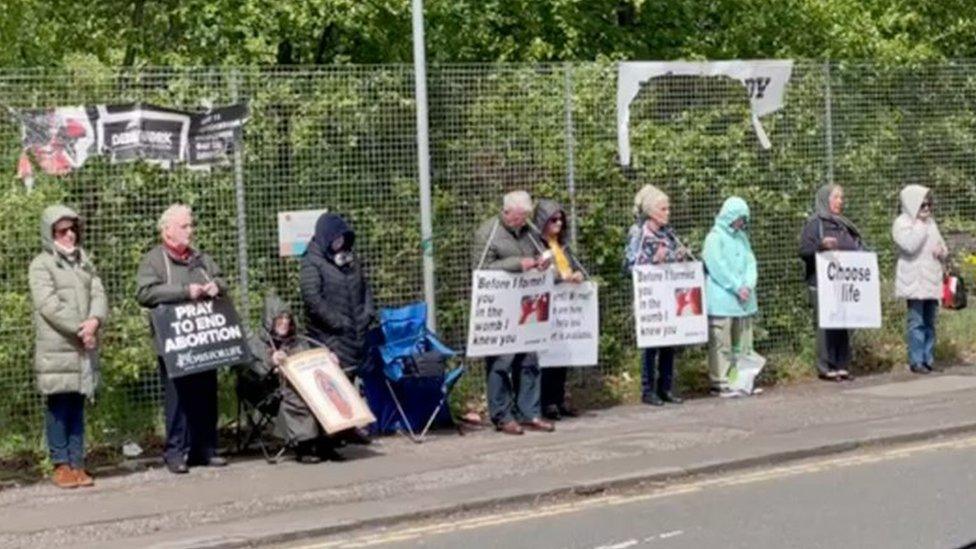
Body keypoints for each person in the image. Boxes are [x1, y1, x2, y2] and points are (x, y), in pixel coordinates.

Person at [136, 204, 229, 474]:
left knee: (206, 391)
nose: (191, 230)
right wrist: (184, 291)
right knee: (178, 397)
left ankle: (205, 448)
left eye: (191, 225)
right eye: (185, 226)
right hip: (174, 338)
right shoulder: (154, 259)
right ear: (168, 230)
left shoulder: (199, 258)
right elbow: (145, 293)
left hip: (203, 335)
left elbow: (221, 279)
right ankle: (176, 451)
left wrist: (216, 286)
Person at [29, 205, 107, 488]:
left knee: (78, 404)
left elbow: (98, 292)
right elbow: (48, 305)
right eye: (62, 231)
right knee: (58, 406)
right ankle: (61, 464)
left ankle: (78, 463)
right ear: (51, 234)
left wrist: (94, 321)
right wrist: (80, 328)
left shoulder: (84, 261)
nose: (70, 235)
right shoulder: (41, 264)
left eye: (73, 229)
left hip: (82, 346)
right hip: (58, 348)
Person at [472, 190, 555, 435]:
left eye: (526, 216)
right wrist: (519, 264)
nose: (523, 221)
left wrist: (542, 262)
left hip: (526, 306)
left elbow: (538, 254)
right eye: (520, 217)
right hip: (501, 309)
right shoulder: (487, 233)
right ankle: (502, 415)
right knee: (501, 362)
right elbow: (480, 269)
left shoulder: (529, 232)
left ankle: (529, 412)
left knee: (529, 359)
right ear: (507, 212)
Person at [299, 213, 376, 444]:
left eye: (343, 238)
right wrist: (337, 322)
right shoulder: (312, 262)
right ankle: (328, 434)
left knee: (349, 379)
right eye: (336, 239)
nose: (339, 243)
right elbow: (312, 298)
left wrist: (367, 314)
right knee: (333, 383)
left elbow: (365, 288)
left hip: (355, 329)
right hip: (329, 333)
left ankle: (348, 427)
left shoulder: (349, 260)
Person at [247, 294, 345, 462]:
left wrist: (328, 360)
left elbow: (311, 364)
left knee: (323, 390)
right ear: (270, 319)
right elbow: (250, 370)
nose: (285, 322)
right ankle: (303, 446)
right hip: (267, 391)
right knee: (297, 396)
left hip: (297, 387)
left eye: (287, 318)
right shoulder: (256, 343)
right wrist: (271, 363)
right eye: (280, 318)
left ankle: (326, 443)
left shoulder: (298, 341)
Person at [624, 184, 688, 406]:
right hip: (650, 297)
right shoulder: (639, 233)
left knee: (669, 342)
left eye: (668, 208)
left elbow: (675, 256)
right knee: (651, 345)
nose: (667, 213)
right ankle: (647, 389)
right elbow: (629, 265)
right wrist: (653, 261)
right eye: (663, 209)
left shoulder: (669, 233)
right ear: (651, 211)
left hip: (669, 295)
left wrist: (678, 257)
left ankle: (666, 388)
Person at [798, 184, 864, 381]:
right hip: (822, 283)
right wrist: (821, 246)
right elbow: (804, 252)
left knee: (844, 324)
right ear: (825, 199)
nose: (840, 202)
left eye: (841, 198)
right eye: (836, 198)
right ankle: (826, 366)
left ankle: (842, 364)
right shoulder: (814, 225)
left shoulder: (844, 225)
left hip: (844, 283)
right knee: (826, 325)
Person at [532, 199, 585, 421]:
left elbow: (575, 267)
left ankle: (559, 398)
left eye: (561, 219)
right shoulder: (536, 246)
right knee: (547, 357)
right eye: (553, 219)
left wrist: (578, 275)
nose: (559, 223)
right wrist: (559, 277)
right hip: (545, 308)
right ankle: (546, 402)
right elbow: (537, 274)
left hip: (566, 308)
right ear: (542, 221)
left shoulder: (562, 246)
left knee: (562, 356)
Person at [702, 197, 759, 397]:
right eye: (739, 218)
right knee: (722, 344)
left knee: (742, 344)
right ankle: (721, 381)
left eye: (744, 219)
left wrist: (749, 284)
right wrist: (736, 286)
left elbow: (751, 262)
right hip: (722, 301)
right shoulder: (714, 238)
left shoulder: (742, 238)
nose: (741, 223)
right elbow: (717, 266)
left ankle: (740, 380)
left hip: (744, 301)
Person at [892, 185, 947, 374]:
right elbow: (910, 245)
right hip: (914, 280)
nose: (927, 209)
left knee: (930, 321)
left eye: (929, 205)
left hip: (931, 278)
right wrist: (921, 225)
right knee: (916, 321)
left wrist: (942, 251)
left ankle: (928, 358)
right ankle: (916, 360)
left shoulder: (931, 223)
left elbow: (942, 246)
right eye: (922, 205)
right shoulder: (902, 223)